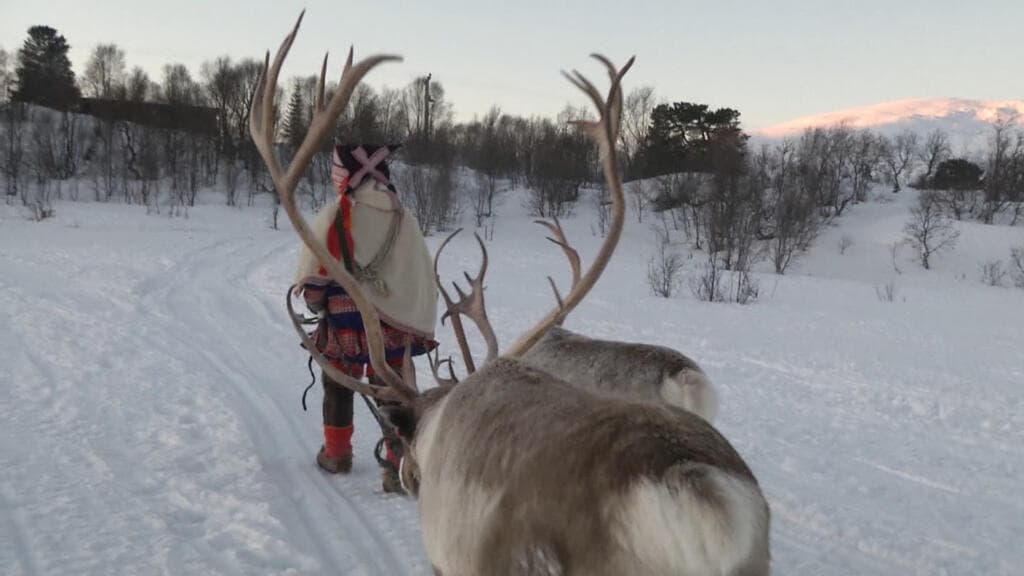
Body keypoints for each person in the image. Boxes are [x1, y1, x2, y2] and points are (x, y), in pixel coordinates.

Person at [294, 143, 438, 493]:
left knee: (338, 384)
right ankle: (397, 467)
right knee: (394, 392)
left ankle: (337, 454)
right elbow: (421, 276)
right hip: (394, 327)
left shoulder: (336, 215)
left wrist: (317, 302)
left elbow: (314, 276)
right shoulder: (405, 219)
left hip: (345, 324)